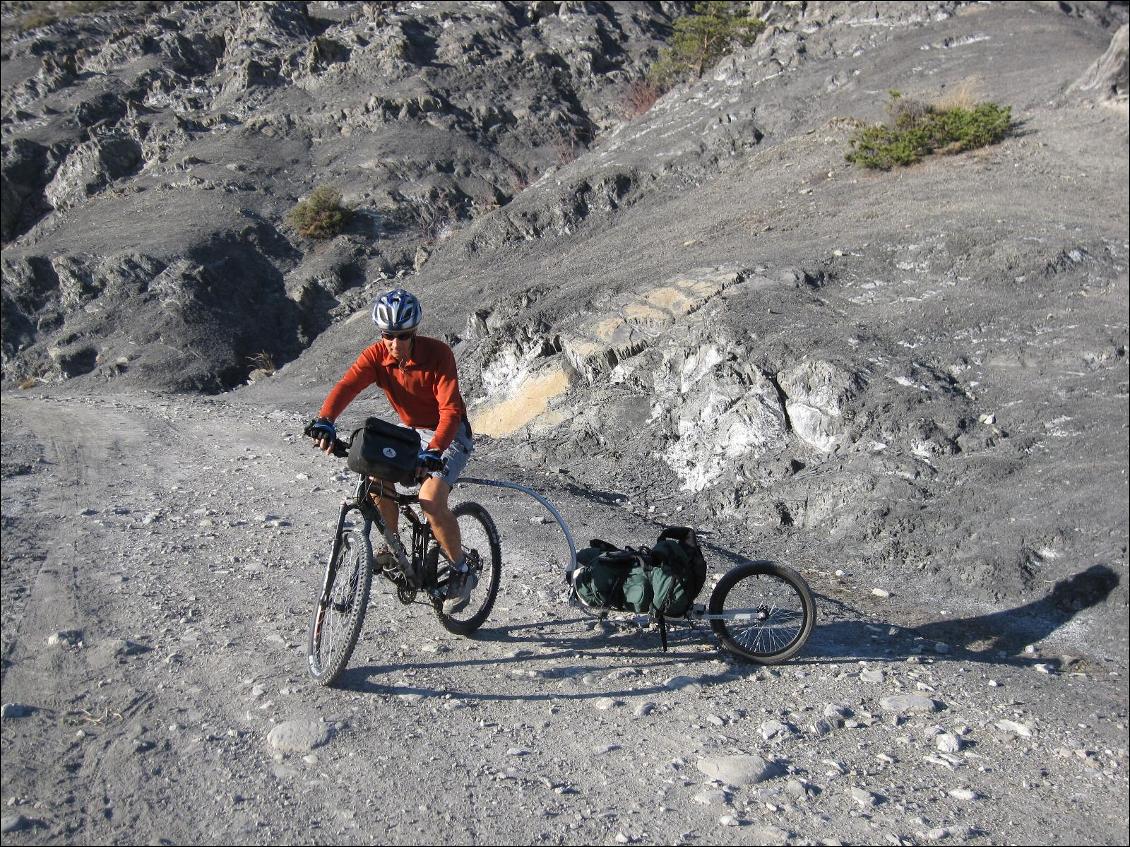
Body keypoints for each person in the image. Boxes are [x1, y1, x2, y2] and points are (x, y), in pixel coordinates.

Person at [308, 289, 476, 613]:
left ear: (414, 333)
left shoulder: (438, 354)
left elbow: (451, 412)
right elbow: (347, 386)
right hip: (413, 436)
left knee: (430, 499)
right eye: (389, 336)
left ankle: (461, 570)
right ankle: (392, 544)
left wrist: (435, 451)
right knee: (374, 474)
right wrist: (326, 420)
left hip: (450, 435)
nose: (395, 344)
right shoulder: (376, 357)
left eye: (403, 336)